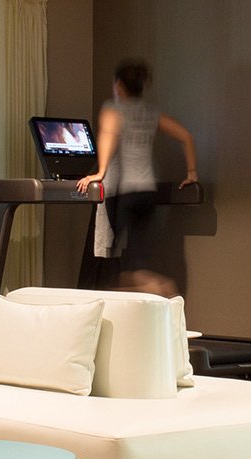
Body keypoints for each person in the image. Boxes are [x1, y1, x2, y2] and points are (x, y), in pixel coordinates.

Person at [76, 59, 199, 296]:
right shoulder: (150, 112)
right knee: (136, 261)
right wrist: (192, 173)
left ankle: (165, 292)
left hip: (122, 193)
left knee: (127, 267)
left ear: (118, 85)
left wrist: (100, 172)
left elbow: (108, 136)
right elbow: (186, 137)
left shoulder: (113, 109)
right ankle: (157, 293)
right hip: (147, 193)